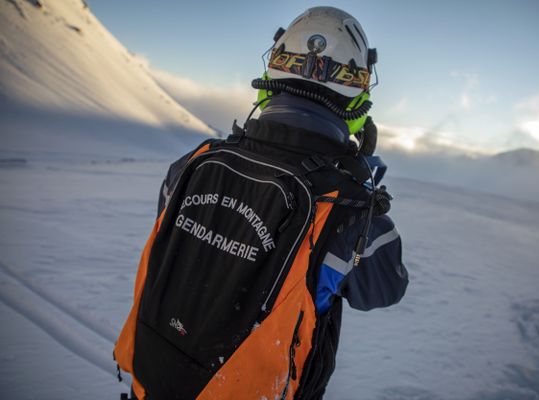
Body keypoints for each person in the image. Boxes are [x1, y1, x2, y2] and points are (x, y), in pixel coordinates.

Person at [115, 6, 408, 400]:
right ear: (358, 96)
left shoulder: (194, 162)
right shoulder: (349, 211)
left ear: (272, 74)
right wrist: (359, 184)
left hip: (152, 380)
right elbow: (385, 288)